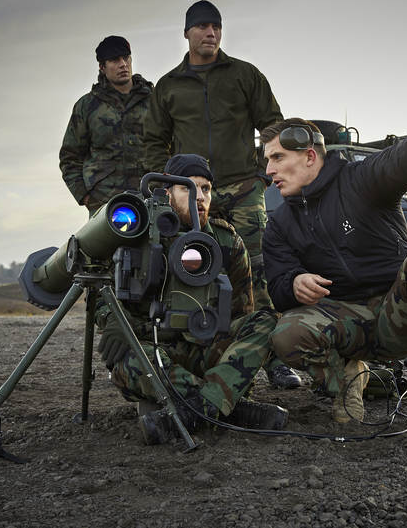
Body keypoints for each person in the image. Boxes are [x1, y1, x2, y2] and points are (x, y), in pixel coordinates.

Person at [261, 104, 407, 447]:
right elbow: (279, 286)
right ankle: (348, 381)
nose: (269, 170)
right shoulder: (280, 224)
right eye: (267, 160)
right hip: (347, 322)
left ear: (310, 156)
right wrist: (294, 282)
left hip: (397, 316)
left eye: (277, 158)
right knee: (286, 334)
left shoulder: (360, 181)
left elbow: (399, 162)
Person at [143, 0, 301, 390]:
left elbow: (273, 127)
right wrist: (169, 188)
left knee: (260, 268)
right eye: (202, 27)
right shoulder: (168, 86)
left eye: (216, 26)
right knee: (189, 266)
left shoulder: (245, 75)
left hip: (244, 188)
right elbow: (152, 141)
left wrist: (266, 174)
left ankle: (274, 357)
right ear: (187, 34)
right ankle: (193, 350)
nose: (210, 33)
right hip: (191, 195)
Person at [97, 154, 289, 445]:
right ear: (168, 192)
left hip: (208, 353)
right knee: (128, 358)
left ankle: (191, 411)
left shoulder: (227, 242)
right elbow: (99, 292)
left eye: (206, 189)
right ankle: (226, 406)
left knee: (265, 322)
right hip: (158, 352)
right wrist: (112, 320)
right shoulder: (135, 236)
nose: (200, 197)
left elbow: (243, 311)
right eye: (188, 188)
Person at [59, 35, 153, 215]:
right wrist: (86, 197)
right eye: (115, 60)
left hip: (150, 197)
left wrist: (168, 188)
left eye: (126, 58)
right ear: (102, 67)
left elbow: (172, 146)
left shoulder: (154, 100)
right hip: (104, 204)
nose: (123, 64)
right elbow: (69, 157)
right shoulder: (87, 106)